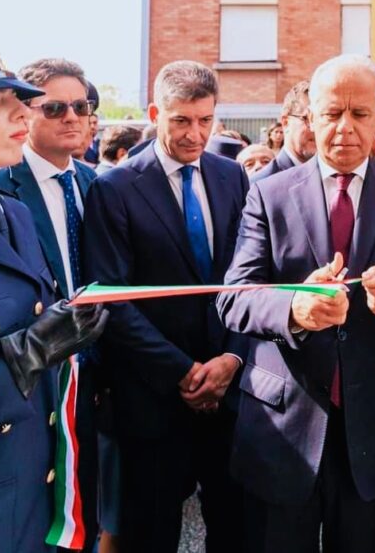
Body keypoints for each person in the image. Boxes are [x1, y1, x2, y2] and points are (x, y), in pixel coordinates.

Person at [217, 54, 375, 553]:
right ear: (311, 116)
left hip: (371, 428)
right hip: (284, 424)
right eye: (331, 113)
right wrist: (293, 309)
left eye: (360, 114)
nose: (345, 128)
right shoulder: (268, 195)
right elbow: (234, 297)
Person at [0, 38, 106, 552]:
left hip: (32, 509)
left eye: (17, 97)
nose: (19, 110)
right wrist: (21, 361)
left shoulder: (14, 216)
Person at [82, 60, 250, 552]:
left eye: (205, 120)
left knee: (233, 529)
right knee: (151, 535)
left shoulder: (232, 177)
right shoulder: (113, 188)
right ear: (156, 113)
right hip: (152, 397)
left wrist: (230, 361)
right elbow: (112, 297)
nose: (195, 134)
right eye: (181, 121)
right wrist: (183, 372)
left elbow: (246, 280)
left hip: (229, 391)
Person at [0, 57, 101, 552]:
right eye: (54, 107)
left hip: (95, 380)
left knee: (88, 514)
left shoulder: (96, 183)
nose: (71, 117)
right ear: (24, 113)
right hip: (29, 380)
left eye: (81, 106)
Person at [252, 80, 315, 181]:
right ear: (285, 123)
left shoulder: (338, 180)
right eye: (307, 119)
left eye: (322, 118)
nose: (315, 128)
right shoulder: (262, 184)